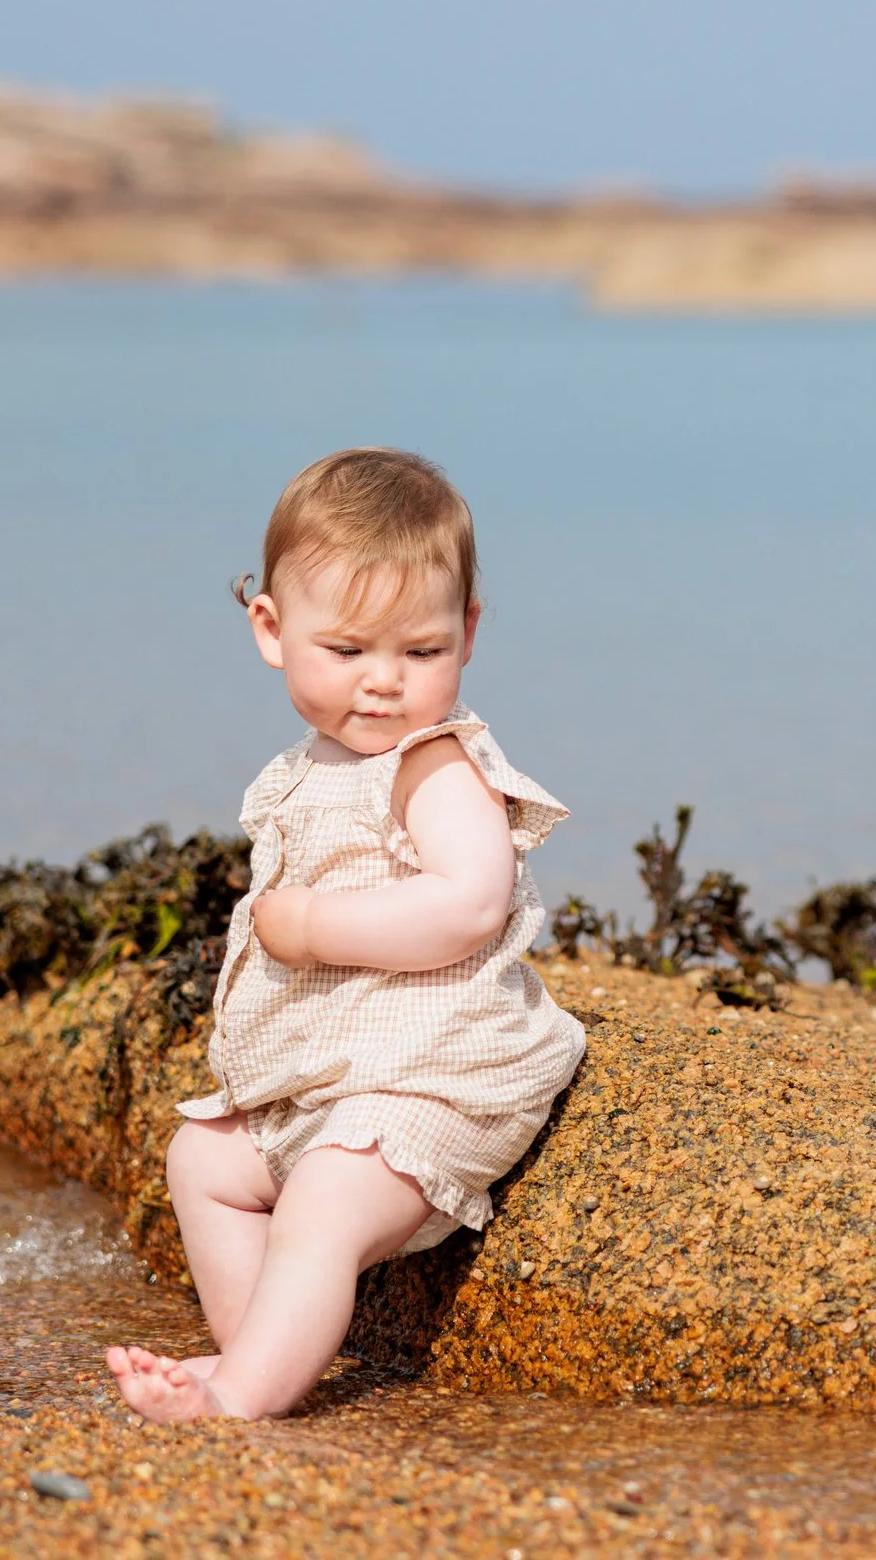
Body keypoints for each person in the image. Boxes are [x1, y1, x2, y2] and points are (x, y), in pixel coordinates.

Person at [106, 448, 584, 1422]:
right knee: (202, 1162)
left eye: (422, 652)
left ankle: (239, 1400)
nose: (384, 684)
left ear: (468, 632)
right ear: (271, 630)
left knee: (323, 1203)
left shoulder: (434, 766)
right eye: (348, 650)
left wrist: (316, 924)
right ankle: (255, 1353)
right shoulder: (308, 770)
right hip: (332, 1081)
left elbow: (469, 905)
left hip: (434, 1083)